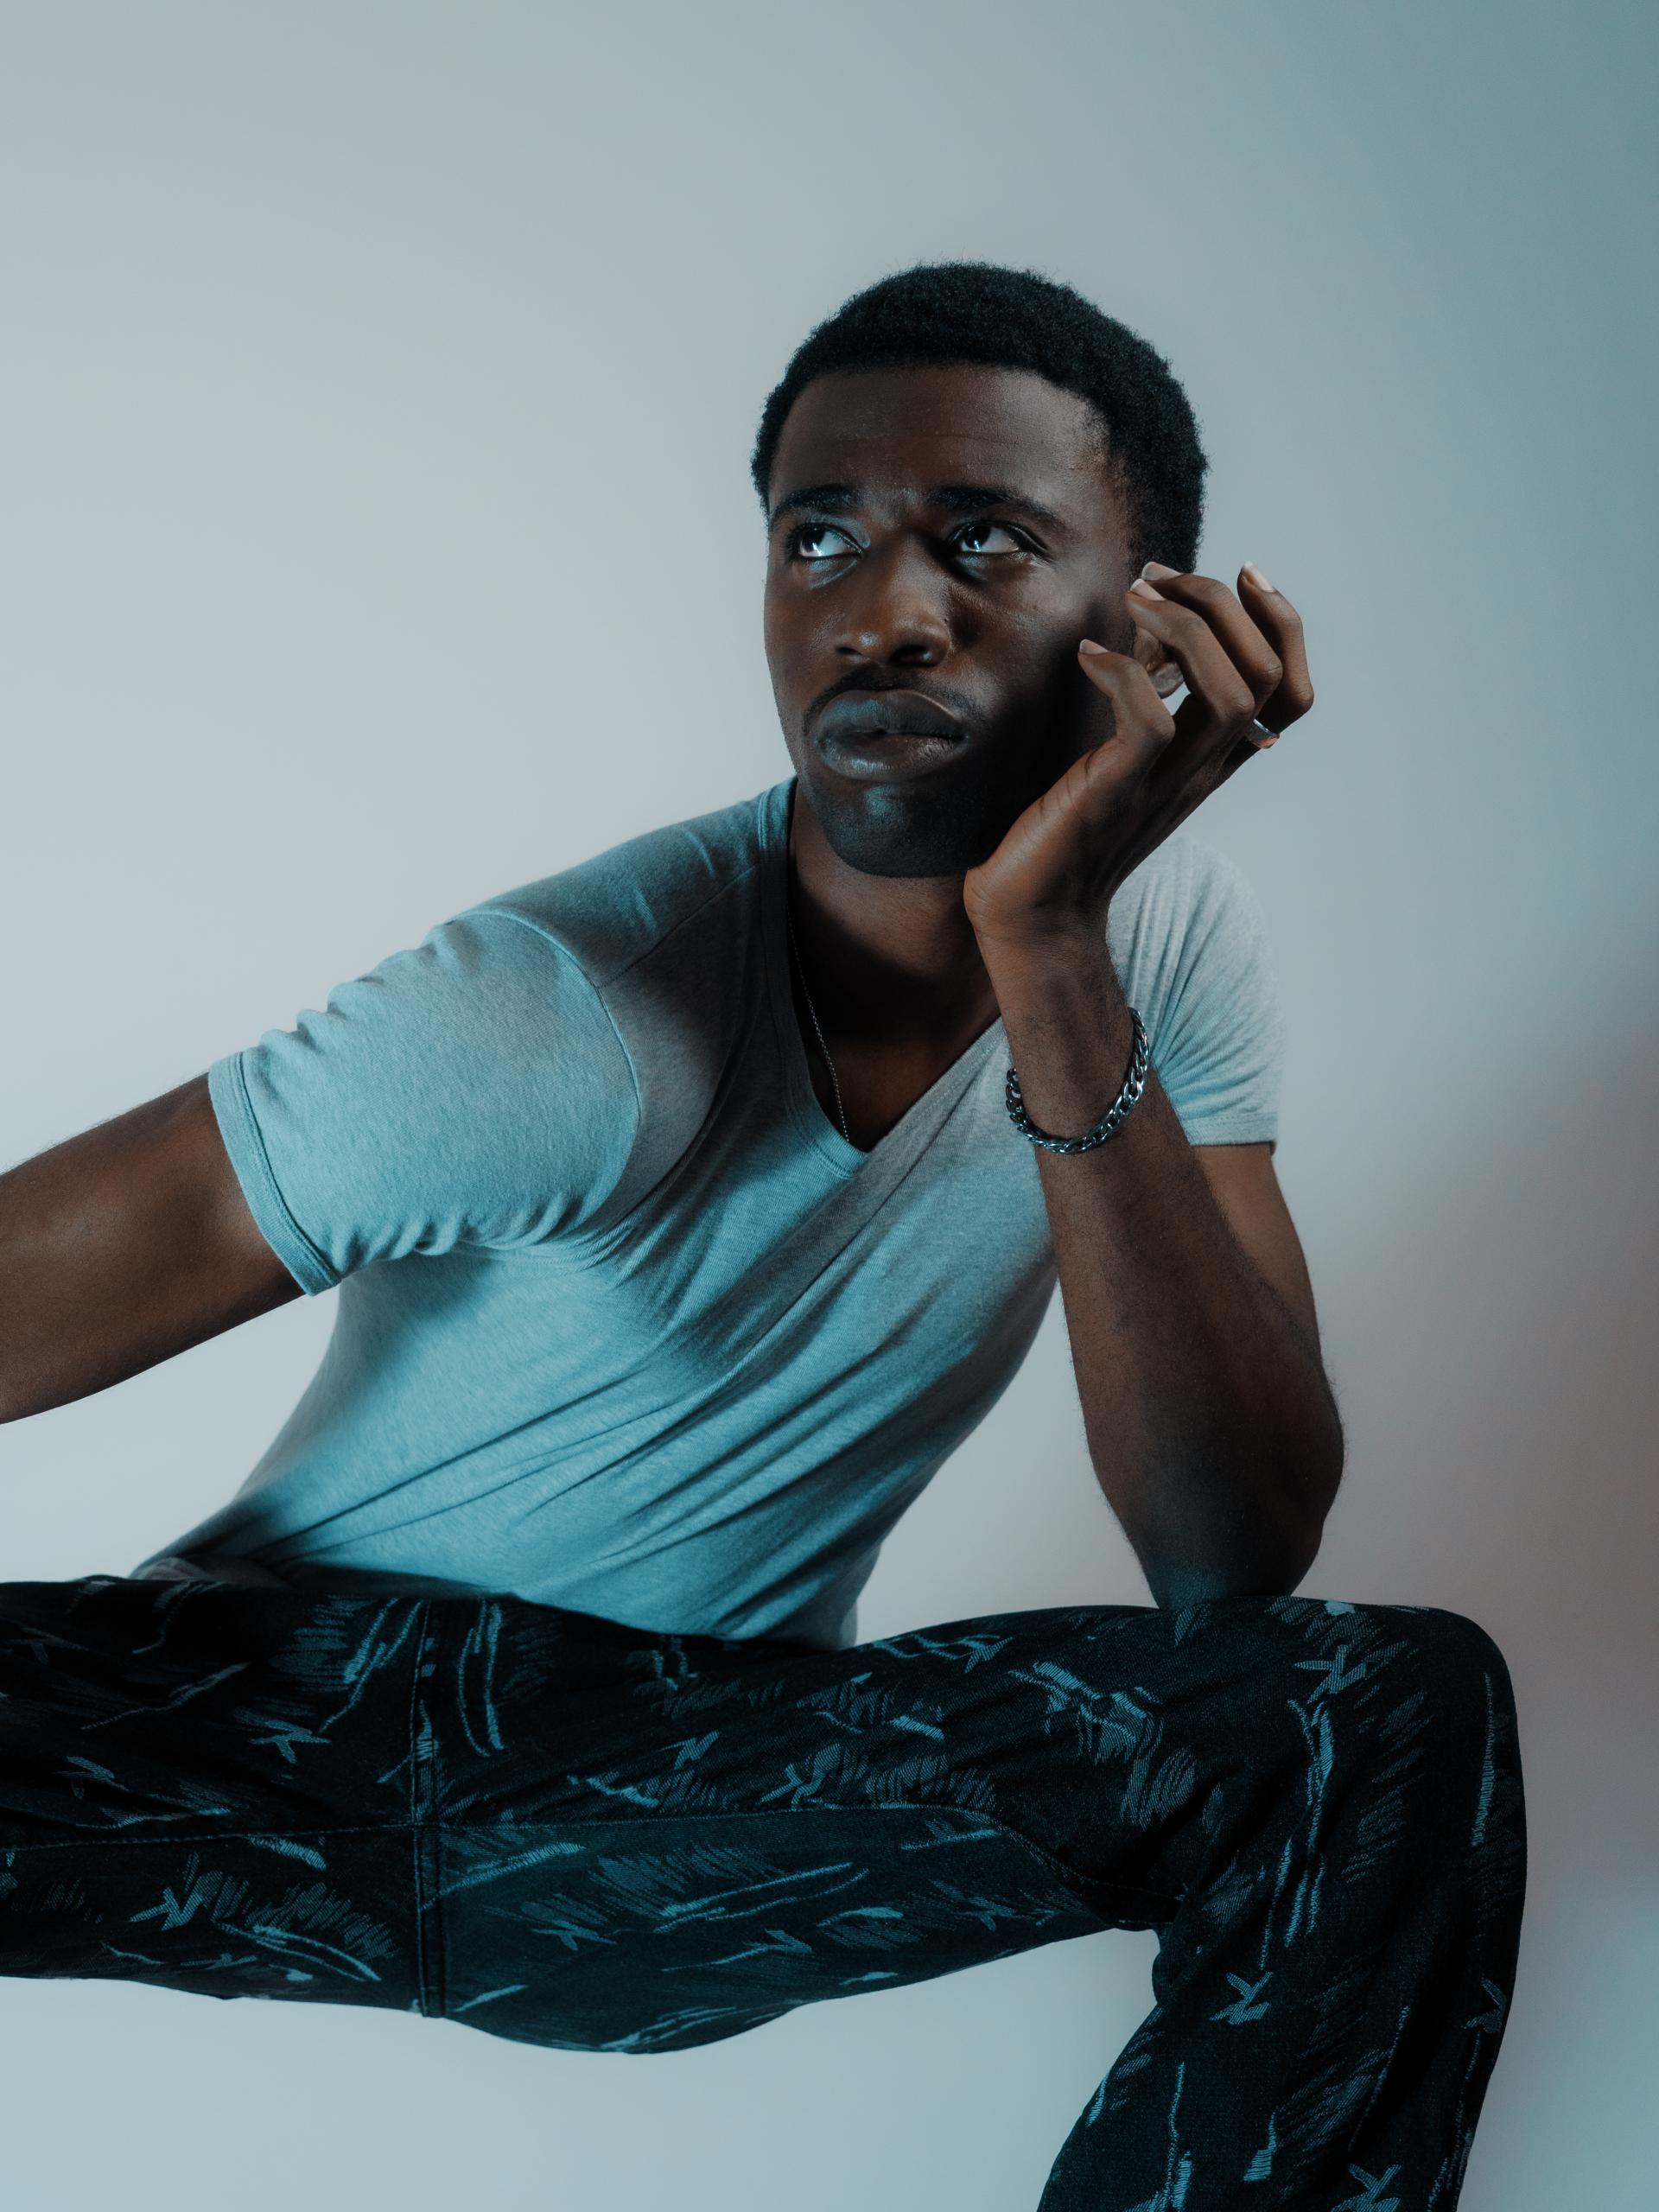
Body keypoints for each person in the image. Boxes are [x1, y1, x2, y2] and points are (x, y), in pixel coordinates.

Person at [0, 262, 1523, 2208]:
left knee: (1369, 1717)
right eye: (820, 538)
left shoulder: (1168, 950)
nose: (883, 614)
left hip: (686, 1788)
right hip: (268, 1726)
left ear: (1156, 618)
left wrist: (1052, 951)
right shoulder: (554, 1014)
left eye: (982, 540)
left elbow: (1233, 1555)